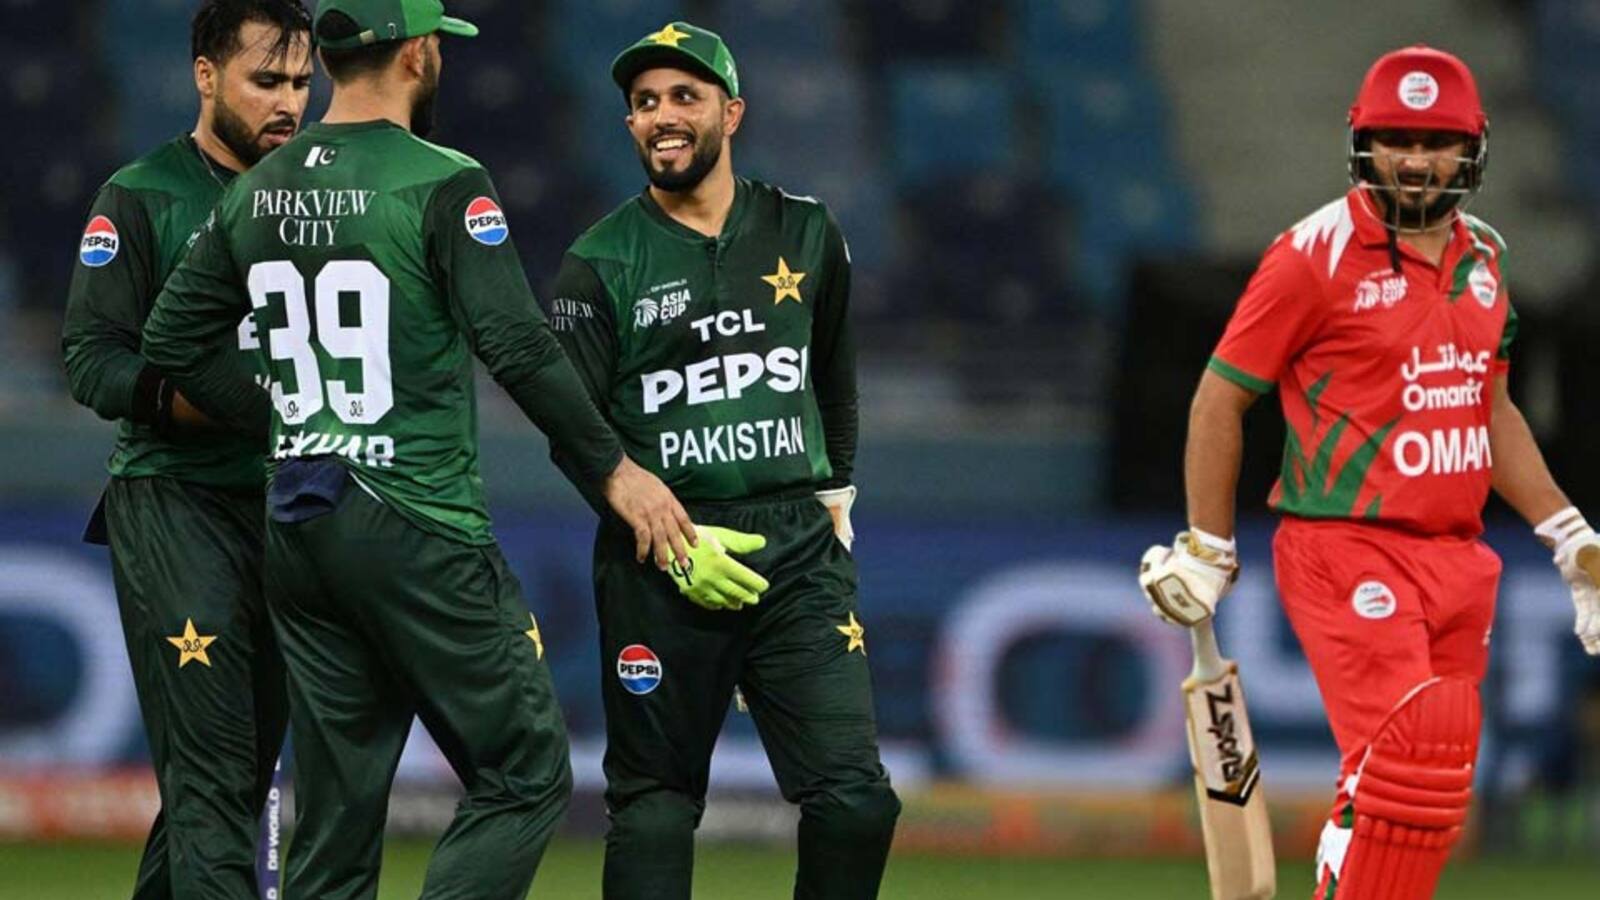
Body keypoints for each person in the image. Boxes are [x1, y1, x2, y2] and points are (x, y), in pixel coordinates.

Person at [140, 2, 698, 897]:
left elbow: (171, 341)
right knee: (525, 771)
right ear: (416, 54)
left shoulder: (256, 188)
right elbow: (516, 345)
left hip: (299, 520)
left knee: (335, 820)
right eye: (437, 43)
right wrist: (615, 470)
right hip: (413, 516)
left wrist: (283, 412)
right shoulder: (444, 180)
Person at [1138, 45, 1600, 899]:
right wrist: (1208, 547)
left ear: (1473, 149)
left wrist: (1568, 535)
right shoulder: (1311, 256)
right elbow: (1218, 399)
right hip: (1347, 547)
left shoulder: (1486, 258)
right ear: (1363, 143)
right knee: (1402, 759)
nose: (1416, 161)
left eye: (1437, 142)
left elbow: (1489, 408)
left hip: (1459, 559)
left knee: (1429, 801)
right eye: (1396, 140)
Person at [545, 21, 900, 900]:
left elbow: (834, 380)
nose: (662, 116)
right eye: (644, 103)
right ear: (629, 124)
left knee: (857, 801)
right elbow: (573, 432)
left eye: (684, 97)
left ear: (730, 113)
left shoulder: (806, 231)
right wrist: (659, 531)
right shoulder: (598, 263)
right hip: (659, 556)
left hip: (797, 553)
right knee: (655, 808)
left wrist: (837, 492)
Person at [60, 2, 312, 895]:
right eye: (265, 80)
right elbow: (90, 359)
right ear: (206, 76)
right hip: (175, 501)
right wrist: (194, 403)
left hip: (289, 505)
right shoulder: (141, 196)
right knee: (213, 773)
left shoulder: (319, 199)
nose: (288, 103)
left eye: (301, 82)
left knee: (239, 777)